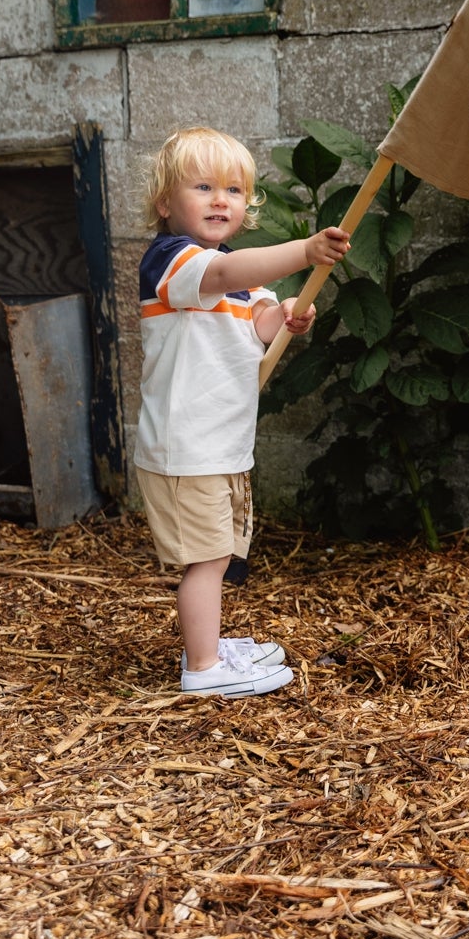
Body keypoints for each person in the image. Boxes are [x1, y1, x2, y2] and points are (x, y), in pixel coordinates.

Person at [134, 127, 350, 696]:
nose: (220, 200)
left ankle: (207, 644)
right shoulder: (173, 261)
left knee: (219, 554)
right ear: (165, 203)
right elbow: (227, 277)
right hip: (185, 447)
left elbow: (262, 323)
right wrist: (304, 252)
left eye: (233, 190)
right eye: (203, 187)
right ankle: (203, 668)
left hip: (221, 445)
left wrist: (290, 315)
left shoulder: (236, 272)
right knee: (206, 560)